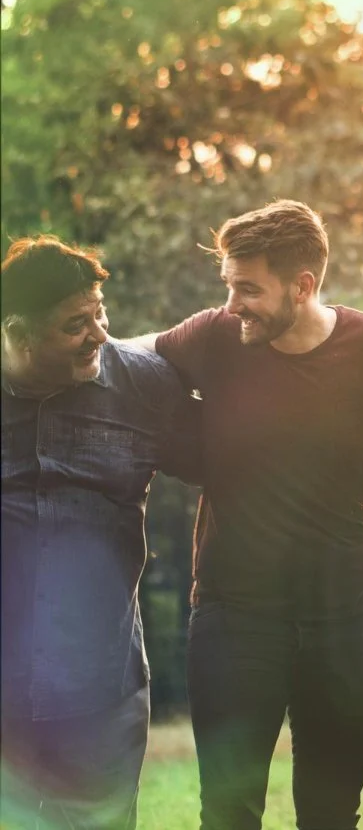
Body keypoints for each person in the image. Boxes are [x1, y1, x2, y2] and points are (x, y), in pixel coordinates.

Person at [133, 200, 363, 829]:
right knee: (228, 811)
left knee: (333, 813)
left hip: (347, 619)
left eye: (247, 288)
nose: (233, 304)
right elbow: (122, 359)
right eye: (228, 285)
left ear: (303, 285)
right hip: (236, 620)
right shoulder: (214, 337)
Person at [1, 236, 197, 829]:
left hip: (98, 683)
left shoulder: (143, 385)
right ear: (18, 332)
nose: (99, 335)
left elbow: (242, 445)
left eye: (100, 313)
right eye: (74, 325)